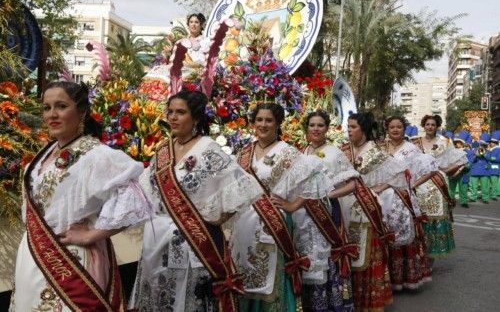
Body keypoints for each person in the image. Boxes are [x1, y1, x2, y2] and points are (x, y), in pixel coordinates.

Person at [10, 81, 153, 311]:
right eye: (46, 108)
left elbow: (137, 199)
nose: (52, 115)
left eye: (61, 106)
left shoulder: (96, 155)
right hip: (33, 256)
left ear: (81, 111)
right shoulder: (45, 152)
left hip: (71, 262)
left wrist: (92, 235)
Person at [129, 90, 263, 311]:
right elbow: (145, 192)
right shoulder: (163, 150)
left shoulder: (208, 149)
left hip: (194, 244)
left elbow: (242, 189)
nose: (172, 117)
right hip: (157, 241)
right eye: (170, 112)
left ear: (197, 117)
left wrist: (214, 220)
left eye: (180, 112)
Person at [231, 103, 334, 312]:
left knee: (270, 275)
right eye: (259, 120)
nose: (263, 124)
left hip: (273, 222)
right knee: (244, 271)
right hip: (243, 224)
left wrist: (293, 205)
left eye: (269, 120)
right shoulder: (244, 153)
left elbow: (315, 177)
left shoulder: (288, 153)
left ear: (278, 124)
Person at [299, 110, 358, 311]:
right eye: (312, 125)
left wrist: (327, 195)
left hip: (327, 213)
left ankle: (330, 305)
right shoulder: (301, 152)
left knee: (327, 258)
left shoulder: (334, 153)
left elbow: (352, 185)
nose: (316, 129)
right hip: (303, 213)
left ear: (327, 128)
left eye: (320, 125)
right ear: (307, 128)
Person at [339, 112, 398, 311]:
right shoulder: (343, 151)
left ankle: (368, 301)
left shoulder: (375, 151)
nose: (349, 131)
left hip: (366, 208)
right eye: (348, 127)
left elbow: (393, 176)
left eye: (353, 127)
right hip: (343, 208)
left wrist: (374, 191)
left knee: (365, 256)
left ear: (363, 129)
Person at [382, 116, 437, 290]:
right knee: (385, 235)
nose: (395, 130)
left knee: (405, 237)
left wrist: (412, 185)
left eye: (399, 127)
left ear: (404, 129)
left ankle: (406, 278)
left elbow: (431, 170)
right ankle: (387, 280)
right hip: (382, 198)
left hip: (403, 199)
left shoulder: (411, 149)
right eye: (392, 127)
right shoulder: (380, 148)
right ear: (387, 129)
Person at [412, 115, 467, 259]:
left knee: (435, 216)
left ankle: (432, 252)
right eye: (428, 124)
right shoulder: (415, 142)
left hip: (437, 183)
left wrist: (444, 170)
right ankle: (420, 250)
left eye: (433, 124)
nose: (430, 127)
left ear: (437, 126)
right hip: (419, 183)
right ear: (424, 126)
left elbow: (461, 160)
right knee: (420, 216)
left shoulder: (444, 142)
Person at [448, 131, 472, 208]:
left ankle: (464, 202)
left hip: (464, 173)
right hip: (453, 172)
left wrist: (465, 166)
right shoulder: (451, 151)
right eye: (456, 142)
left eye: (458, 142)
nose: (456, 144)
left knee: (463, 188)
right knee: (451, 188)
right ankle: (450, 201)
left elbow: (470, 163)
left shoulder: (468, 152)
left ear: (462, 143)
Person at [468, 132, 492, 204]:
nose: (482, 146)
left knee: (485, 186)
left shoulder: (488, 151)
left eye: (484, 145)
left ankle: (485, 198)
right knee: (473, 185)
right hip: (475, 170)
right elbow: (471, 160)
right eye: (481, 144)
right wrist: (475, 156)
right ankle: (473, 197)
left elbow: (490, 159)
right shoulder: (474, 150)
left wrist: (484, 154)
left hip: (485, 170)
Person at [489, 131, 500, 201]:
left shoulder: (498, 149)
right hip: (491, 168)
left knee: (494, 183)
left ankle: (494, 195)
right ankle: (494, 194)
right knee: (493, 182)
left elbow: (498, 159)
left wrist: (491, 158)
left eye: (491, 142)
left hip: (495, 168)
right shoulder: (491, 149)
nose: (490, 143)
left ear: (495, 143)